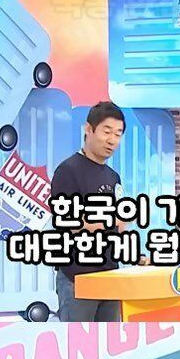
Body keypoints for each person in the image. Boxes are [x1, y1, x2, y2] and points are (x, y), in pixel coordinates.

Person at [51, 102, 126, 322]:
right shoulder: (68, 170)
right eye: (106, 131)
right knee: (77, 340)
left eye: (118, 134)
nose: (112, 140)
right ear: (88, 129)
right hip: (77, 278)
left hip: (110, 275)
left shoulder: (113, 177)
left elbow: (120, 224)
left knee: (109, 340)